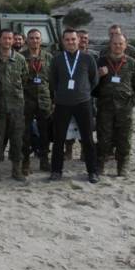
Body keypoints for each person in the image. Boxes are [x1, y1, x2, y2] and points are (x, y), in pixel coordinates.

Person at [49, 28, 99, 183]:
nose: (70, 42)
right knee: (59, 139)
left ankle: (92, 172)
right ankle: (56, 171)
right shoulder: (56, 59)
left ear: (78, 40)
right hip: (63, 104)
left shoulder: (87, 58)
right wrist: (61, 94)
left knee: (88, 139)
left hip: (83, 103)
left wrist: (83, 91)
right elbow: (53, 82)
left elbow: (94, 79)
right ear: (63, 41)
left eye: (73, 39)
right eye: (67, 40)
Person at [95, 34, 135, 177]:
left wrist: (132, 102)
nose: (117, 46)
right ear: (110, 45)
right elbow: (91, 86)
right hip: (105, 107)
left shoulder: (131, 63)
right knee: (104, 138)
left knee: (124, 138)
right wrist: (98, 76)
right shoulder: (101, 62)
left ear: (125, 45)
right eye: (115, 43)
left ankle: (122, 165)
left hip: (124, 108)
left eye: (120, 43)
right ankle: (100, 165)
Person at [0, 28, 28, 183]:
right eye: (4, 38)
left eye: (10, 38)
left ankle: (16, 170)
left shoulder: (20, 59)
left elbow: (24, 79)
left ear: (13, 40)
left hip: (16, 107)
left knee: (17, 139)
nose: (7, 41)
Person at [21, 28, 54, 174]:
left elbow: (53, 81)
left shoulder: (49, 58)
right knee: (25, 134)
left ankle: (44, 161)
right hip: (27, 101)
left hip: (44, 101)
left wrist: (53, 100)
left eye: (37, 38)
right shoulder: (21, 57)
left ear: (41, 40)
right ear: (27, 40)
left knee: (45, 133)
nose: (34, 40)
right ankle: (25, 163)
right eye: (32, 38)